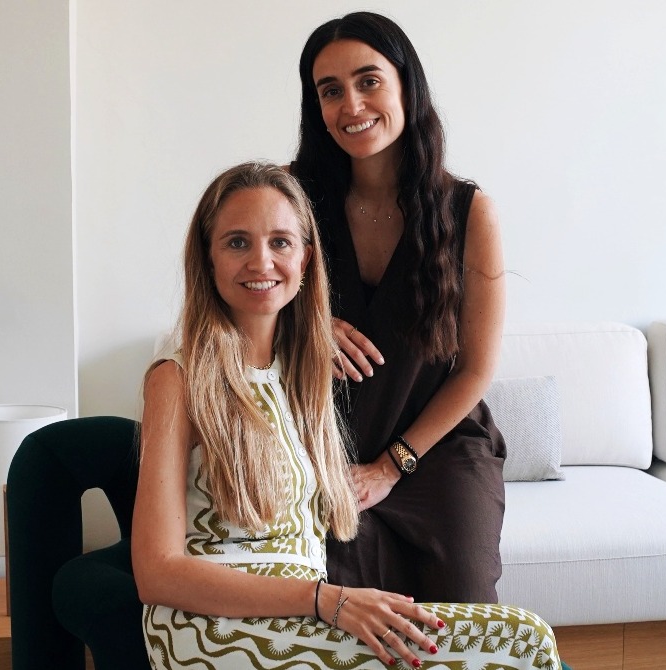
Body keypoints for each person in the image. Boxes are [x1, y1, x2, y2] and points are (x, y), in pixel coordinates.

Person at [133, 161, 560, 669]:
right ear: (206, 259)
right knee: (522, 646)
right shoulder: (177, 378)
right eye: (237, 242)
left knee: (515, 639)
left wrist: (326, 603)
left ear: (308, 260)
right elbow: (156, 571)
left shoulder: (304, 375)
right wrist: (327, 600)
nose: (261, 262)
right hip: (212, 628)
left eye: (280, 243)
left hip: (305, 618)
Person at [291, 11, 509, 604]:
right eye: (330, 91)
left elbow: (475, 370)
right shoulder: (290, 201)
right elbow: (229, 309)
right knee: (343, 614)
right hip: (328, 447)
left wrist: (392, 466)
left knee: (463, 612)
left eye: (369, 81)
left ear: (406, 86)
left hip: (438, 451)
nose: (351, 104)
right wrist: (303, 325)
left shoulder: (469, 212)